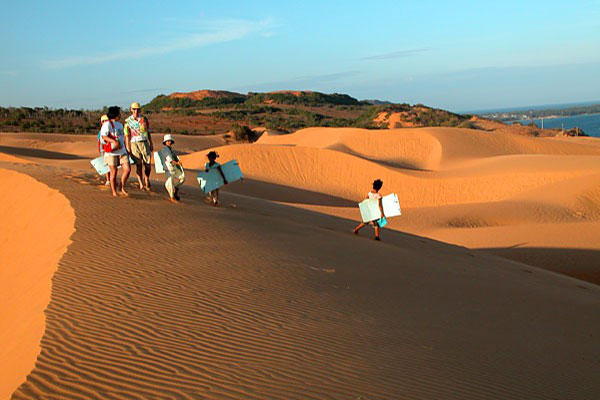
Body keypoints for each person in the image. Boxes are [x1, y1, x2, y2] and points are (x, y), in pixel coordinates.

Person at [101, 106, 131, 197]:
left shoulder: (120, 124)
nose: (120, 114)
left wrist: (126, 147)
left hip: (122, 150)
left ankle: (122, 187)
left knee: (127, 169)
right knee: (113, 172)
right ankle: (114, 192)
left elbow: (123, 137)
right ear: (115, 114)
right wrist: (114, 142)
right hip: (112, 152)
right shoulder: (107, 124)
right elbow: (103, 136)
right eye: (119, 112)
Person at [124, 102, 153, 191]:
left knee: (147, 165)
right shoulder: (127, 121)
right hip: (134, 143)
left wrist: (151, 143)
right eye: (134, 109)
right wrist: (128, 147)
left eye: (137, 109)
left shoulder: (144, 119)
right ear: (131, 110)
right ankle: (141, 183)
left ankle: (146, 178)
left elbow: (148, 132)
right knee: (138, 165)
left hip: (144, 142)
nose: (136, 111)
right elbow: (127, 135)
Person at [160, 134, 185, 203]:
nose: (169, 142)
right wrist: (177, 163)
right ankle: (172, 197)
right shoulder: (165, 150)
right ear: (165, 142)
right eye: (168, 141)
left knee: (183, 178)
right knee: (170, 182)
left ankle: (176, 189)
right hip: (169, 168)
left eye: (170, 141)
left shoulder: (171, 149)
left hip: (174, 168)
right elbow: (170, 160)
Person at [97, 114, 110, 185]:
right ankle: (108, 180)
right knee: (106, 166)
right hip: (103, 150)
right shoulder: (100, 132)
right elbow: (99, 142)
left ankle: (112, 179)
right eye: (103, 121)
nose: (105, 122)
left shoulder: (111, 129)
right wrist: (100, 150)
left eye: (106, 120)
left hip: (111, 149)